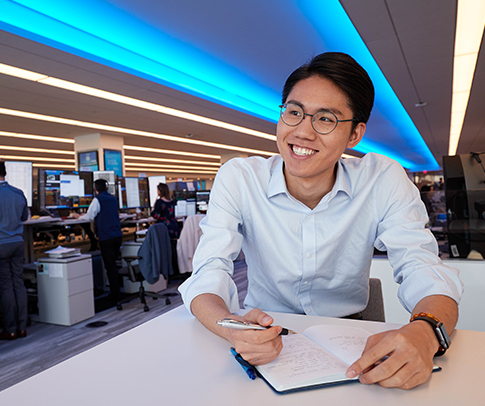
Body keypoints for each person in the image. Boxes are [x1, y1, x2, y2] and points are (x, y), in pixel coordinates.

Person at [179, 52, 463, 390]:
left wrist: (427, 332)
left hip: (351, 340)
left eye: (325, 119)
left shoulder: (382, 179)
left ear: (355, 134)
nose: (302, 132)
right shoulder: (240, 177)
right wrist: (231, 327)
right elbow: (209, 270)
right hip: (264, 333)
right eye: (294, 112)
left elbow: (421, 265)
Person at [73, 179, 122, 300]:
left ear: (95, 189)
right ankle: (116, 290)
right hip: (117, 236)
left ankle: (115, 295)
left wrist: (77, 217)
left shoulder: (97, 200)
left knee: (110, 267)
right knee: (113, 264)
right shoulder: (113, 199)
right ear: (106, 188)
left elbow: (89, 216)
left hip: (107, 237)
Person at [0, 161, 29, 340]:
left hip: (1, 245)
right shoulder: (18, 193)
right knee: (18, 283)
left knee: (6, 286)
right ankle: (23, 327)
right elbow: (24, 217)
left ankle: (10, 329)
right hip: (18, 243)